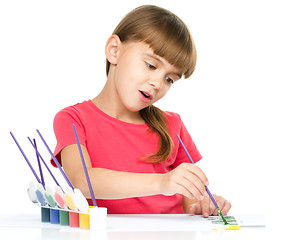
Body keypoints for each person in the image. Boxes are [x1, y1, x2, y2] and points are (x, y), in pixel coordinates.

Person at [52, 5, 231, 216]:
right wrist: (161, 183)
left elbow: (189, 203)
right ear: (114, 50)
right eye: (151, 65)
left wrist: (204, 205)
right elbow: (82, 181)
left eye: (169, 79)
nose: (157, 83)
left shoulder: (172, 125)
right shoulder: (74, 119)